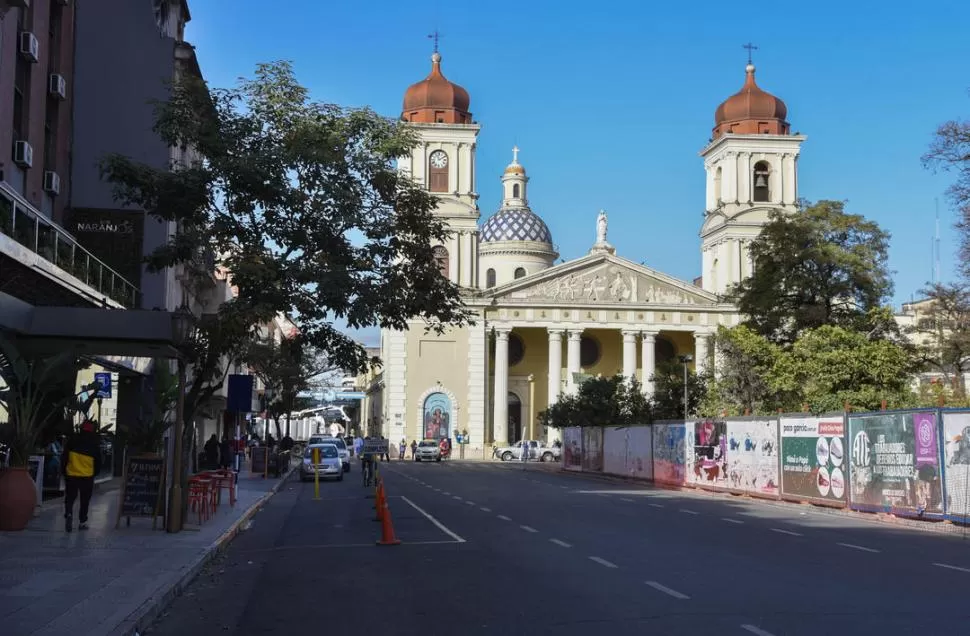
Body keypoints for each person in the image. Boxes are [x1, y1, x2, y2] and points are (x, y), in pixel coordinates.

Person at [62, 420, 102, 532]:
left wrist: (64, 471)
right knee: (85, 500)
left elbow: (64, 457)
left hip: (72, 473)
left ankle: (69, 513)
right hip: (87, 475)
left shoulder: (72, 440)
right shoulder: (94, 443)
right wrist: (95, 473)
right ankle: (82, 521)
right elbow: (98, 461)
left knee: (70, 497)